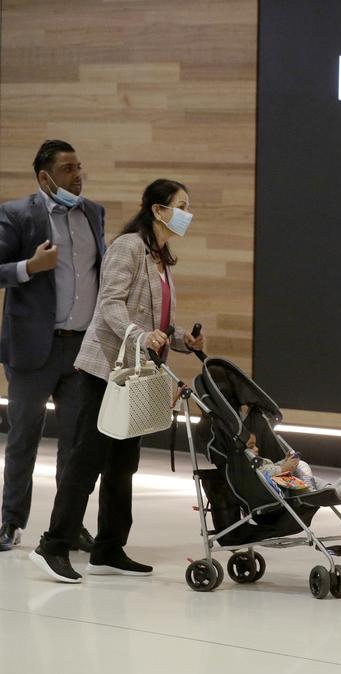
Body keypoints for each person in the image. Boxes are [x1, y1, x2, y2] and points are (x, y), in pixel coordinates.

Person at [30, 179, 206, 583]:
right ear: (157, 208)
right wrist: (140, 336)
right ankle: (53, 545)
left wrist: (181, 340)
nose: (186, 213)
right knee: (87, 460)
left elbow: (155, 321)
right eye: (180, 205)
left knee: (123, 464)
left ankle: (109, 548)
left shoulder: (159, 256)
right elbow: (109, 305)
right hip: (106, 369)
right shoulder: (128, 247)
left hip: (136, 372)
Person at [0, 139, 106, 553]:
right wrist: (29, 267)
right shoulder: (16, 213)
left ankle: (67, 526)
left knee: (76, 445)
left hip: (81, 349)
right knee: (24, 438)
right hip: (32, 349)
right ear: (44, 176)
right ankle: (10, 522)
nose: (77, 175)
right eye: (67, 169)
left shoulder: (93, 212)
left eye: (79, 166)